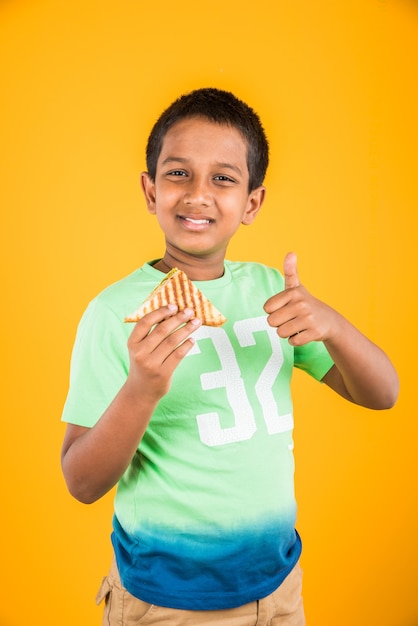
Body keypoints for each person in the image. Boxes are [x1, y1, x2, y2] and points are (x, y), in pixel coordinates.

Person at [61, 87, 399, 626]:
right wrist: (142, 389)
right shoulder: (114, 313)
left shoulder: (270, 292)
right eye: (178, 174)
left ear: (251, 203)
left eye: (223, 178)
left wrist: (332, 324)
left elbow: (383, 394)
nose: (198, 194)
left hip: (279, 586)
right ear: (150, 191)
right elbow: (81, 481)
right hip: (165, 600)